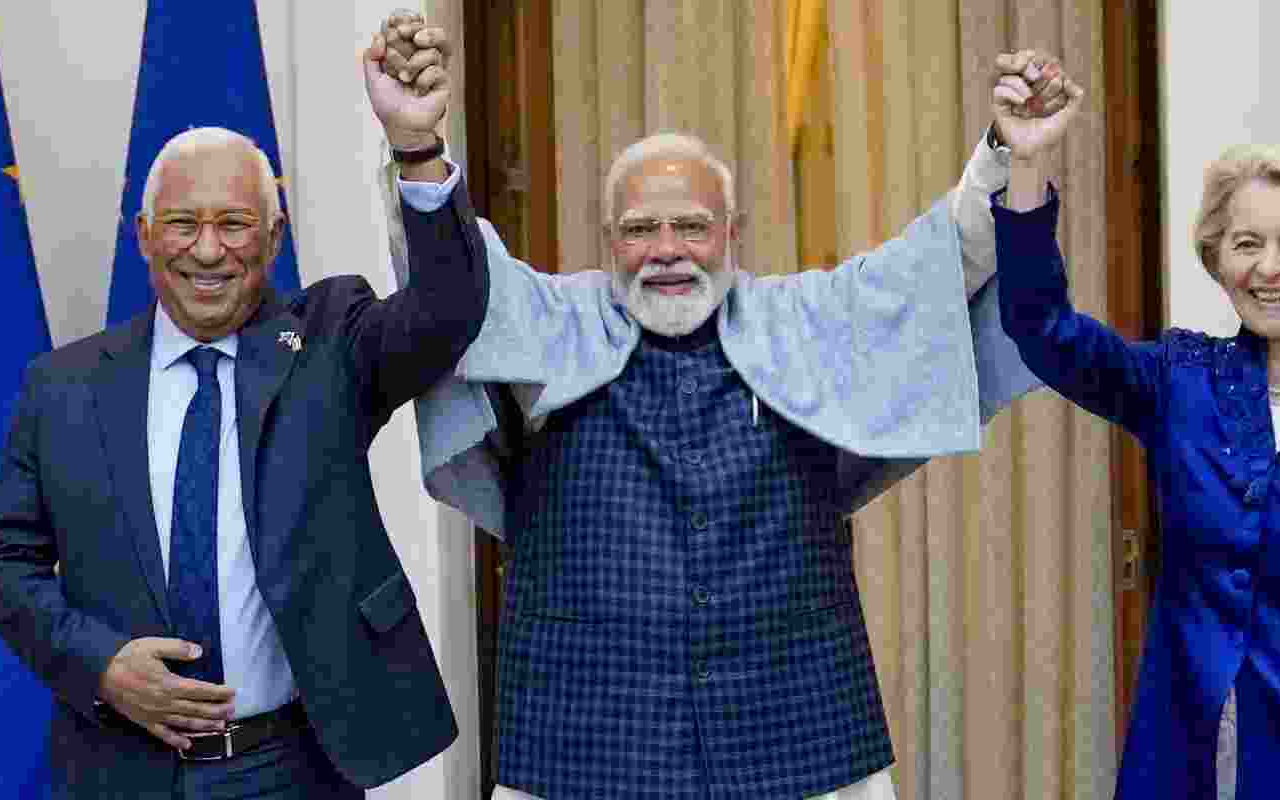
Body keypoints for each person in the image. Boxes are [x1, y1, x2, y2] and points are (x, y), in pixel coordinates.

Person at [382, 30, 1070, 798]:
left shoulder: (810, 318)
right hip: (586, 741)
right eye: (641, 228)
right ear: (609, 241)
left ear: (732, 236)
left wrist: (1011, 154)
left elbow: (946, 259)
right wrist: (418, 149)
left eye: (692, 227)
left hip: (799, 736)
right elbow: (449, 283)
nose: (667, 250)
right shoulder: (547, 320)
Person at [0, 12, 487, 799]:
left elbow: (449, 309)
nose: (208, 250)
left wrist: (415, 146)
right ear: (144, 237)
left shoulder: (330, 345)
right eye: (183, 224)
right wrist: (100, 665)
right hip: (121, 766)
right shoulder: (62, 386)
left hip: (292, 765)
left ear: (273, 240)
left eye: (235, 225)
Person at [989, 64, 1280, 800]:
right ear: (1217, 261)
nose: (1269, 268)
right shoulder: (1179, 380)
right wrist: (1025, 161)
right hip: (1183, 761)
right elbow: (1042, 331)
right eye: (1246, 244)